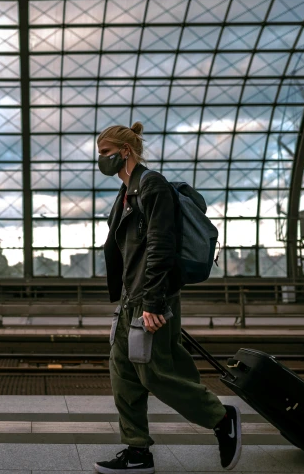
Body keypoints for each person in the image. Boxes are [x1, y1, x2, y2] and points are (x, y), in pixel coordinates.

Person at [94, 122, 242, 474]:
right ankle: (137, 451)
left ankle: (221, 418)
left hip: (151, 297)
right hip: (131, 299)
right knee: (123, 373)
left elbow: (162, 245)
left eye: (105, 153)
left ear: (125, 151)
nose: (101, 161)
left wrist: (154, 303)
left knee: (155, 373)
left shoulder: (152, 185)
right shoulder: (127, 191)